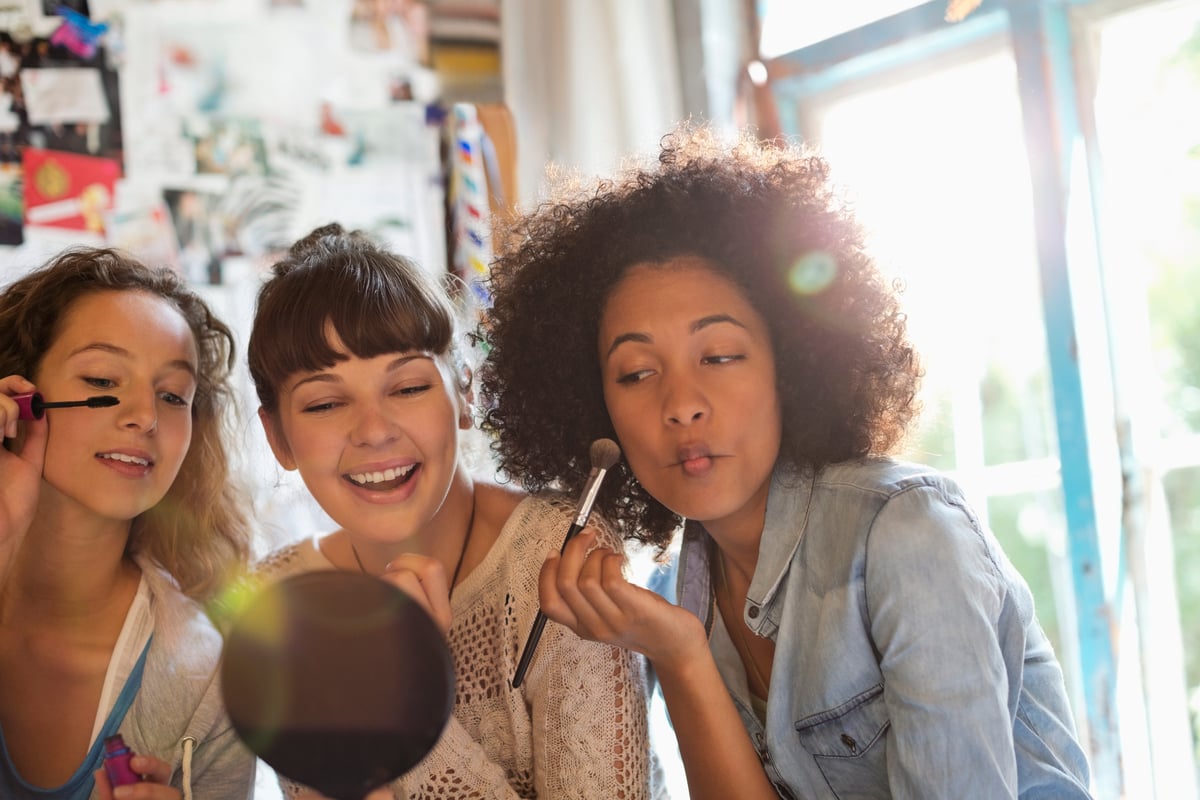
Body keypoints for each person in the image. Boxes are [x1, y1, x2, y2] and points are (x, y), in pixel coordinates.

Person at [477, 124, 1094, 800]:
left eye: (719, 356)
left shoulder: (907, 534)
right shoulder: (685, 589)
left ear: (792, 366)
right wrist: (681, 655)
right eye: (635, 373)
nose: (681, 404)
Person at [247, 223, 657, 799]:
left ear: (465, 393)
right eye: (325, 402)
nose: (372, 431)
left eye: (408, 388)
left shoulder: (557, 557)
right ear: (278, 438)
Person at [0, 247, 256, 798]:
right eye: (100, 379)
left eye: (172, 395)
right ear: (16, 395)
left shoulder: (213, 680)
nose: (144, 416)